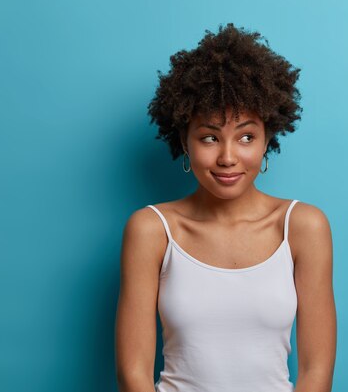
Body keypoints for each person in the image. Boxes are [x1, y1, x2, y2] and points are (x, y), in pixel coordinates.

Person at [115, 23, 336, 392]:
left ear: (268, 139)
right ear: (185, 141)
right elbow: (133, 374)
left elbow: (316, 372)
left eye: (246, 136)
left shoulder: (302, 226)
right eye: (210, 137)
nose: (228, 157)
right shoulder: (151, 230)